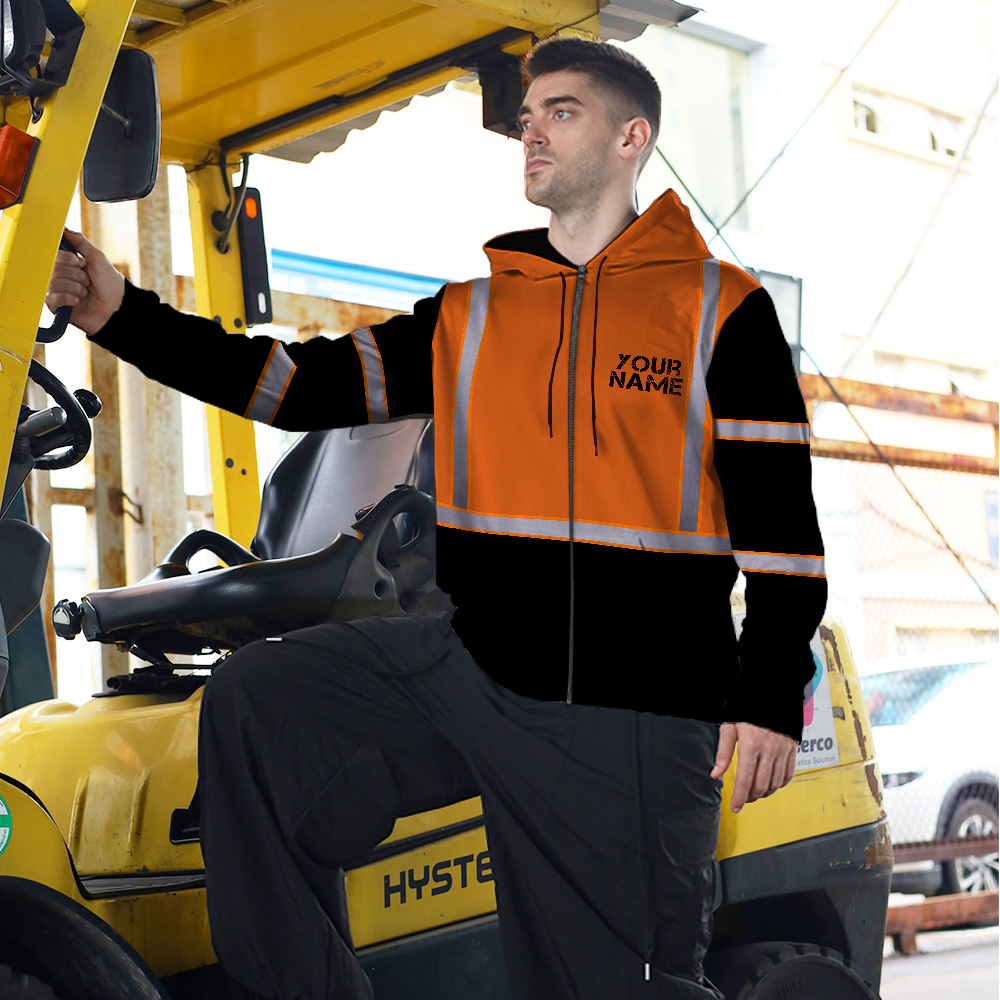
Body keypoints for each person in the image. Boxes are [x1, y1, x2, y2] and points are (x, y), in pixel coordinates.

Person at [46, 35, 826, 1000]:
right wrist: (121, 314)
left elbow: (781, 526)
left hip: (629, 706)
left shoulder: (719, 311)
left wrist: (769, 687)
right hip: (472, 667)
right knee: (260, 703)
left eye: (563, 112)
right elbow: (293, 385)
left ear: (633, 139)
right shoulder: (474, 316)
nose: (532, 132)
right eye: (529, 115)